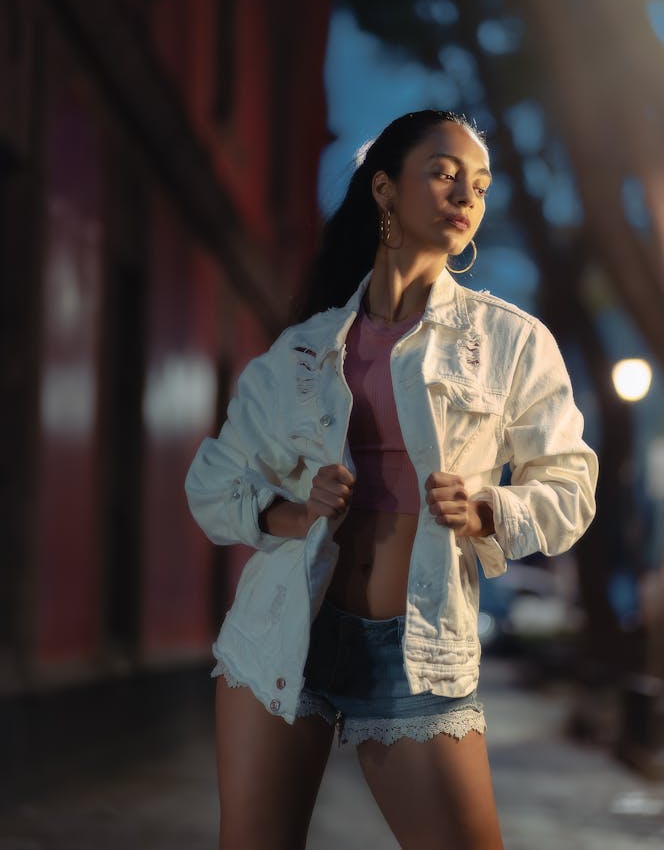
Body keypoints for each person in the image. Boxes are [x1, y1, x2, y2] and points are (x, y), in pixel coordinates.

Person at [185, 109, 598, 849]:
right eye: (443, 174)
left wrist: (487, 509)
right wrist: (294, 513)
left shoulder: (508, 341)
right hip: (284, 635)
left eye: (479, 184)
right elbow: (214, 483)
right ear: (384, 189)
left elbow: (570, 487)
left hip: (418, 648)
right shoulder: (304, 351)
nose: (465, 196)